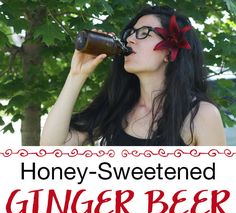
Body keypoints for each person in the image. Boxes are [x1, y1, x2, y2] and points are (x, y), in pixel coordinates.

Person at [41, 5, 226, 146]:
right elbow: (51, 149)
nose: (130, 39)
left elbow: (217, 191)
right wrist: (76, 75)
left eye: (144, 33)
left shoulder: (200, 115)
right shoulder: (117, 106)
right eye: (131, 33)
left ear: (170, 53)